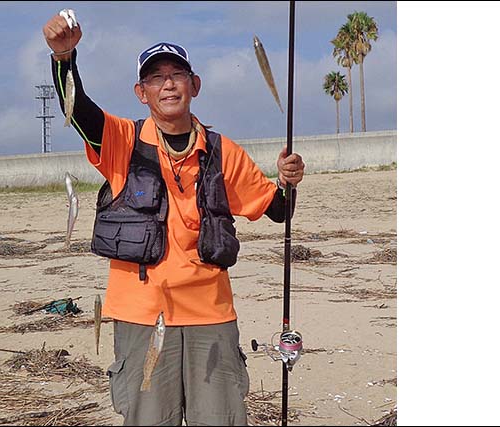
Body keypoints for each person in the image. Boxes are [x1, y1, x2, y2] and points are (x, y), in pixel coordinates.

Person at [43, 9, 305, 426]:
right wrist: (63, 60)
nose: (167, 83)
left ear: (194, 85)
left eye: (177, 74)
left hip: (211, 316)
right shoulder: (121, 142)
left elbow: (278, 210)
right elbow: (78, 112)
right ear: (141, 92)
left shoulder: (223, 152)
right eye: (155, 77)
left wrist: (289, 180)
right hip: (141, 316)